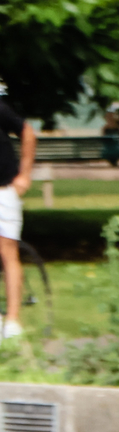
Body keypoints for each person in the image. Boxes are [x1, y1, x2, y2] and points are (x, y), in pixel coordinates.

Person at [0, 80, 32, 341]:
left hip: (3, 190)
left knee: (7, 252)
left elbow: (27, 133)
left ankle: (12, 320)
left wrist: (24, 175)